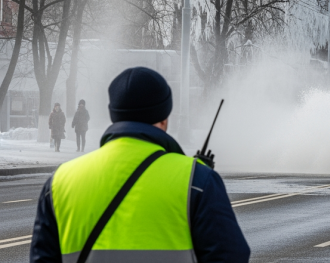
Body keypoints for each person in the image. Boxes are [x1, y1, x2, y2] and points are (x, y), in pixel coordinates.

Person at [30, 67, 250, 262]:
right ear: (164, 118)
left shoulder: (60, 182)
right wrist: (198, 178)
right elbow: (230, 256)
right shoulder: (197, 182)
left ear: (114, 115)